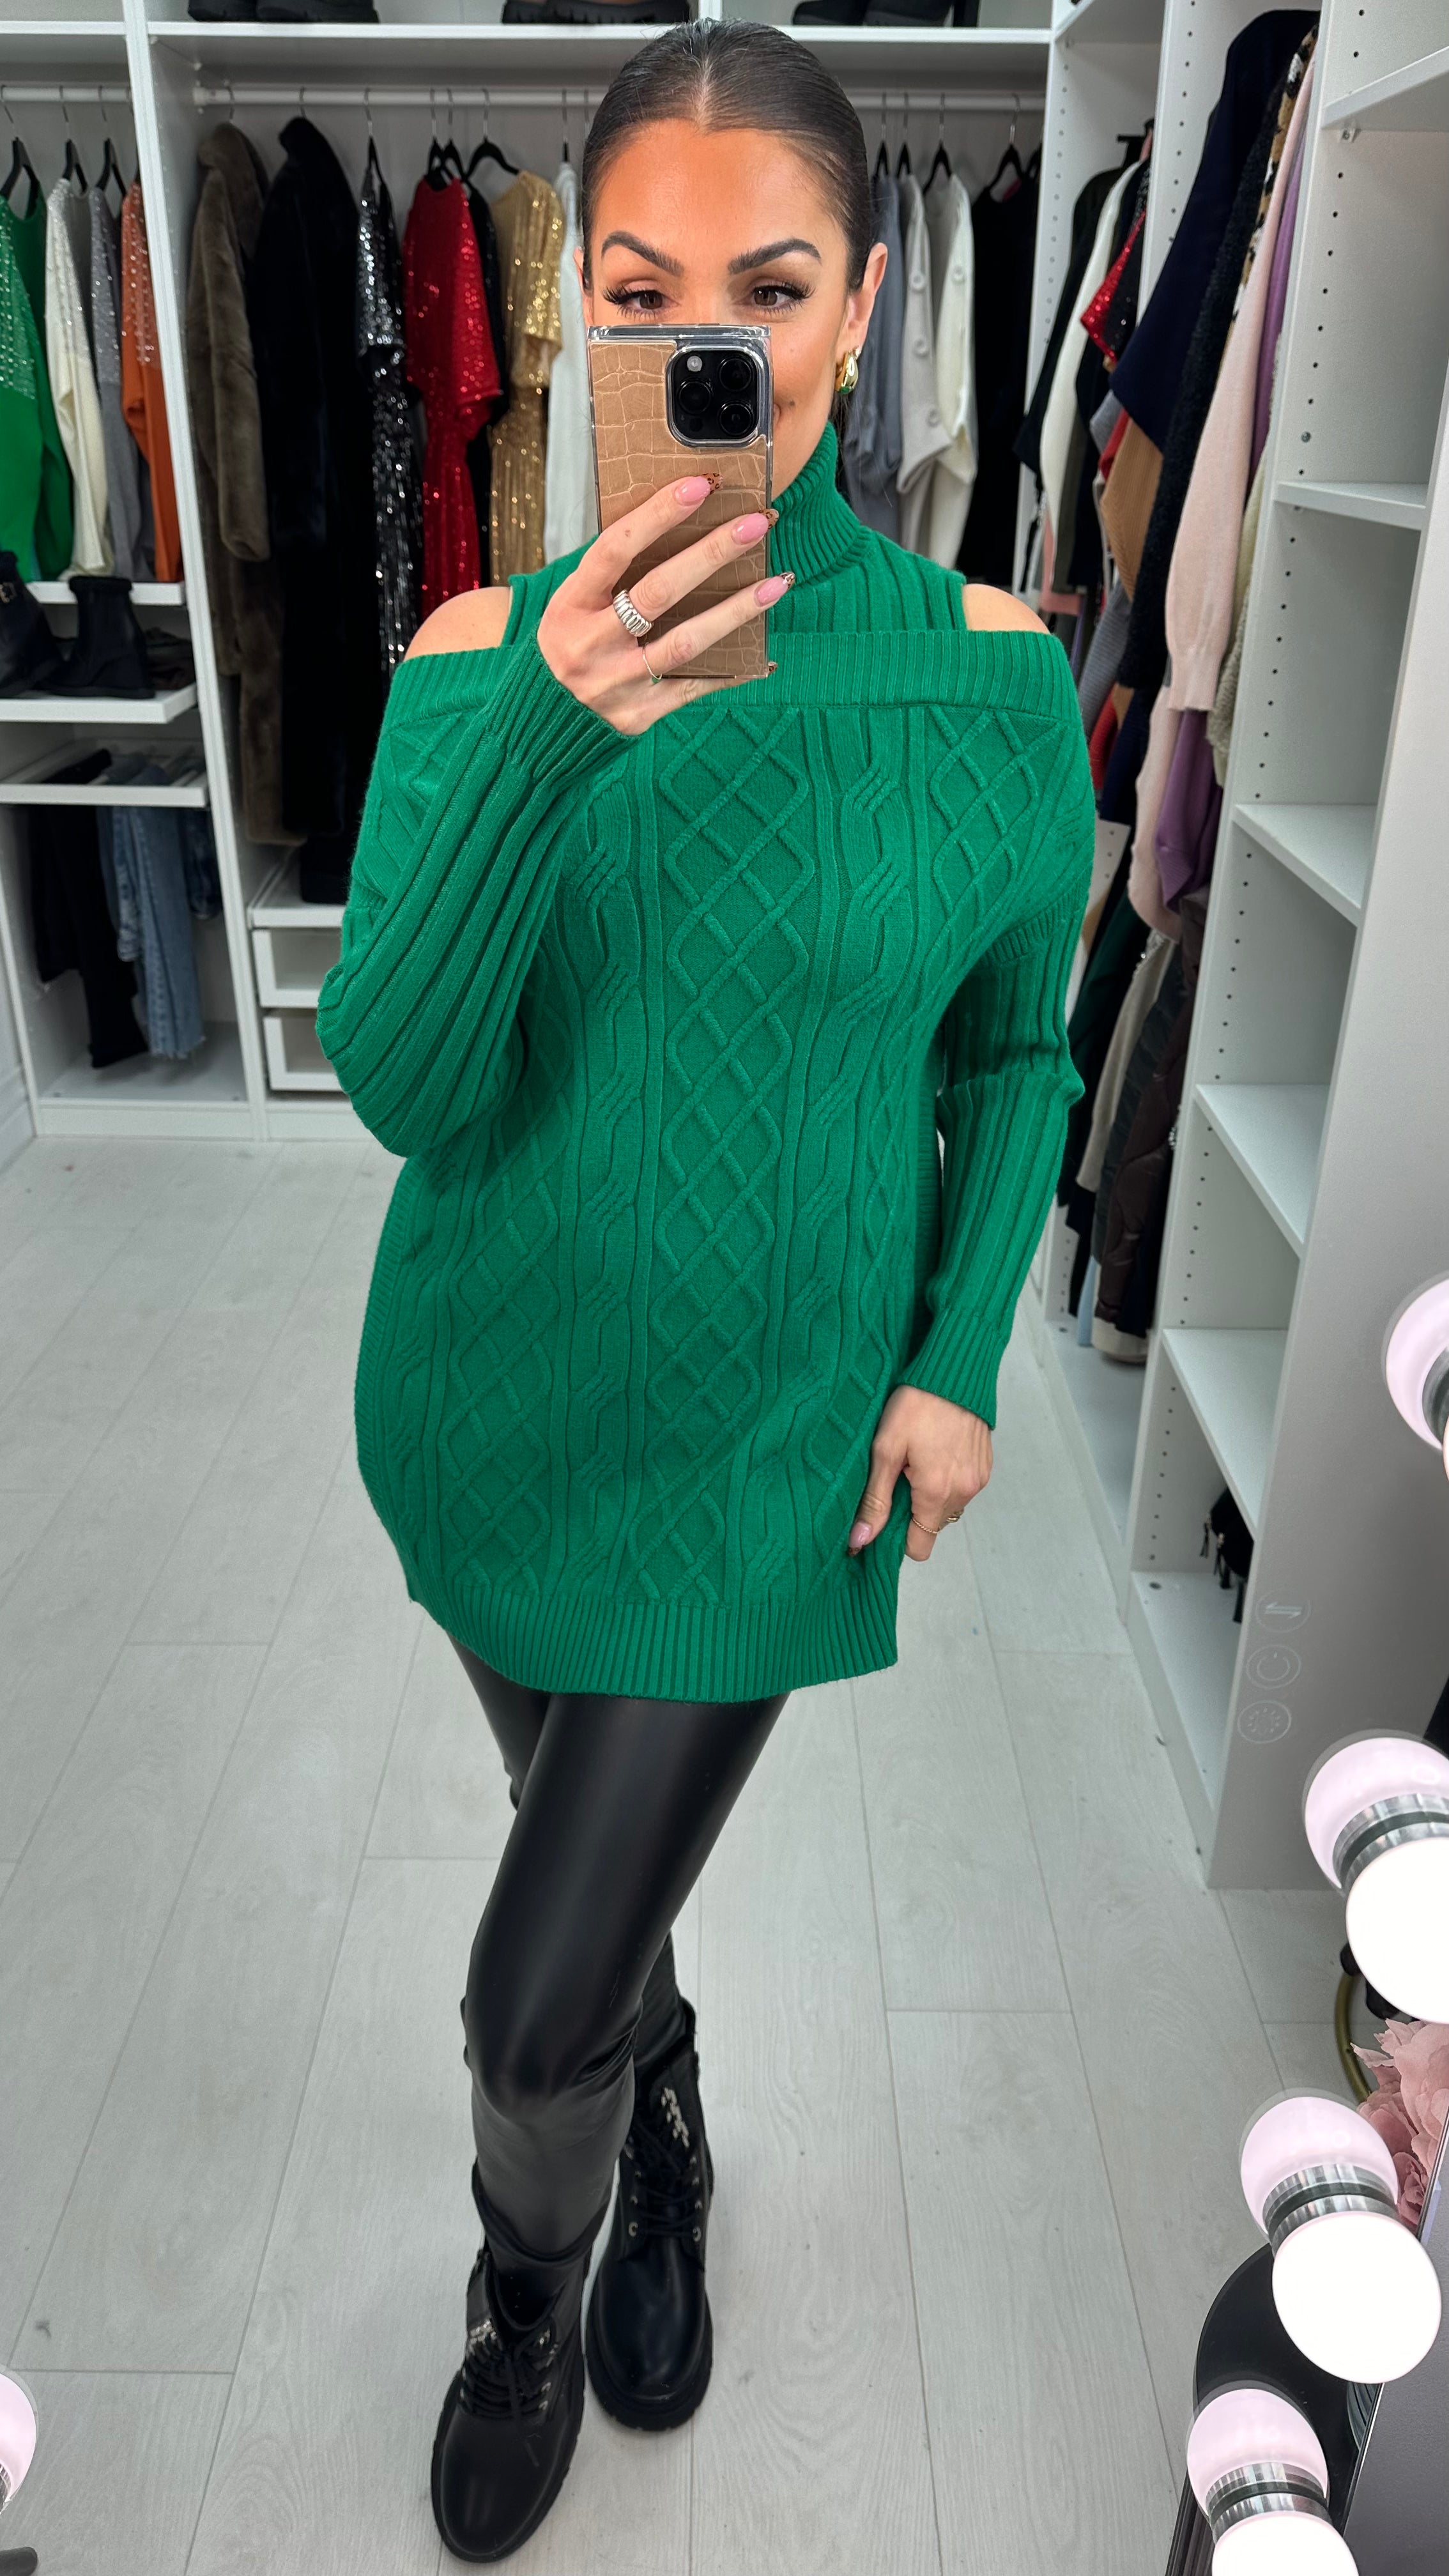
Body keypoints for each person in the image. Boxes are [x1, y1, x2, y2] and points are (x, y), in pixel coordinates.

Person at [314, 20, 1094, 2562]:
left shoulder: (989, 673)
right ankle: (653, 2110)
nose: (709, 343)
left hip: (769, 1452)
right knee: (587, 1868)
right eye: (644, 293)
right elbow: (406, 1083)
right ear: (582, 320)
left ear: (862, 311)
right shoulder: (472, 651)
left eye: (768, 288)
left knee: (522, 1992)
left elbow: (1017, 1044)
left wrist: (956, 1358)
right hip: (490, 1412)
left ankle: (530, 2290)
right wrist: (547, 728)